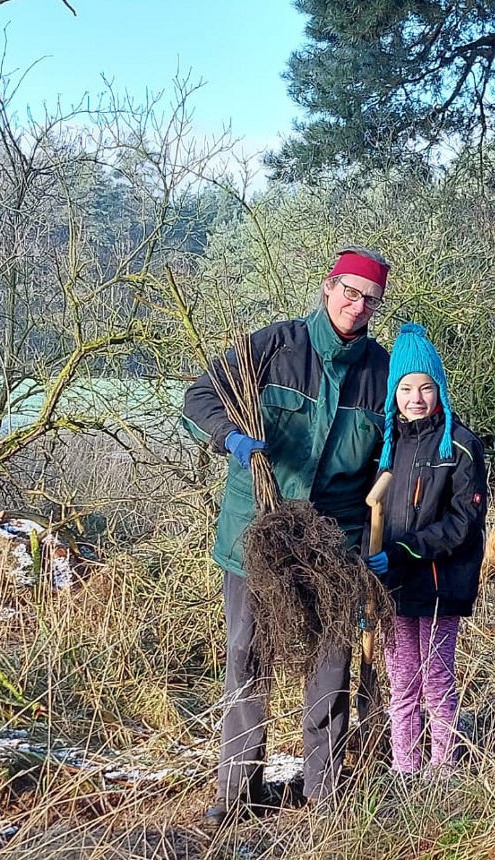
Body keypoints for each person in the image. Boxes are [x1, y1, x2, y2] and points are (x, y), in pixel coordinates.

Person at [183, 246, 391, 829]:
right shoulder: (273, 347)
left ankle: (323, 792)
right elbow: (199, 397)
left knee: (331, 665)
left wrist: (383, 538)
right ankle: (236, 793)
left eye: (368, 298)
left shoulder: (381, 372)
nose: (356, 304)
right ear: (328, 288)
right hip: (255, 534)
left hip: (334, 543)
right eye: (348, 291)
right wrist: (231, 438)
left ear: (377, 306)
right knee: (247, 658)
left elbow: (394, 461)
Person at [364, 323, 487, 777]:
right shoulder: (387, 448)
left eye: (426, 388)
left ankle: (444, 772)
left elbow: (461, 525)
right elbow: (371, 515)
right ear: (394, 392)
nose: (416, 398)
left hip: (439, 588)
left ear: (440, 390)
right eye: (406, 387)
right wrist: (367, 575)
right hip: (394, 588)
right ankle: (405, 771)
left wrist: (401, 551)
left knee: (435, 682)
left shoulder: (460, 447)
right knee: (401, 685)